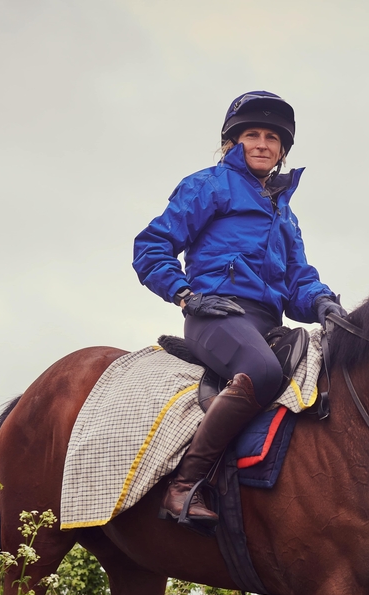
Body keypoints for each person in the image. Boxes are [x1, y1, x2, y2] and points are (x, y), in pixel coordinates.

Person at [133, 91, 345, 527]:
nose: (263, 143)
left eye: (272, 137)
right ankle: (183, 486)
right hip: (216, 315)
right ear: (233, 143)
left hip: (267, 322)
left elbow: (297, 281)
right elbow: (151, 246)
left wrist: (323, 301)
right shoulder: (208, 185)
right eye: (252, 134)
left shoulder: (284, 213)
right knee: (264, 372)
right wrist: (185, 294)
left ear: (283, 151)